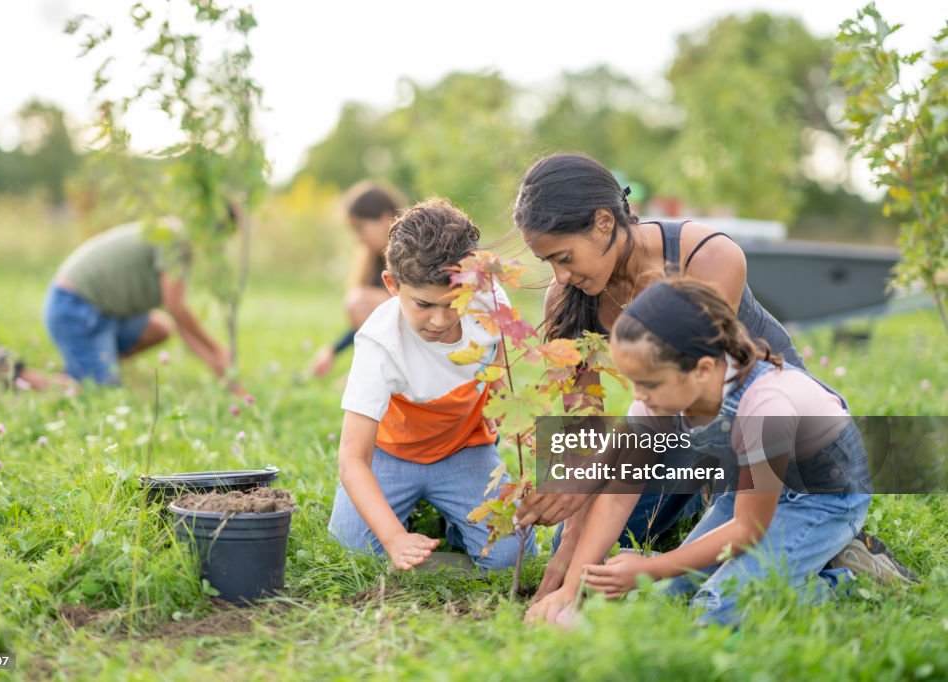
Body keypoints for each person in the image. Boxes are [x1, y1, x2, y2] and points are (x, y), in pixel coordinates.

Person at [511, 152, 914, 598]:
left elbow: (691, 400)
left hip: (758, 427)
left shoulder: (709, 257)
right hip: (673, 420)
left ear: (604, 222)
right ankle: (712, 515)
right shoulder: (568, 296)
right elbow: (584, 426)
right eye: (548, 262)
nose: (560, 276)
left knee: (680, 513)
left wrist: (593, 481)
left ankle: (813, 539)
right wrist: (569, 543)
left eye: (564, 257)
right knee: (595, 548)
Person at [524, 278, 901, 627]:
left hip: (820, 500)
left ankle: (848, 580)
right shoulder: (659, 399)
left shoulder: (765, 405)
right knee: (667, 598)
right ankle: (801, 561)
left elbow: (748, 529)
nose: (638, 397)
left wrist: (653, 567)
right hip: (750, 495)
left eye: (649, 384)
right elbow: (618, 497)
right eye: (634, 382)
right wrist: (569, 593)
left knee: (718, 608)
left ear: (703, 369)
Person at [328, 198, 536, 570]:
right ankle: (408, 521)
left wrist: (498, 400)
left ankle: (457, 523)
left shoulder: (489, 302)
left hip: (464, 450)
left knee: (510, 557)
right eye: (424, 304)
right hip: (391, 456)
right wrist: (394, 539)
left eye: (454, 302)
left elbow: (500, 361)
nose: (440, 320)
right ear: (392, 284)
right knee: (353, 554)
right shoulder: (378, 343)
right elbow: (352, 461)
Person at [0, 213, 241, 394]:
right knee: (97, 391)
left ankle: (93, 363)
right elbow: (177, 306)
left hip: (105, 313)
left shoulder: (178, 234)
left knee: (161, 327)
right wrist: (217, 350)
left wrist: (217, 364)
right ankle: (8, 372)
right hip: (75, 308)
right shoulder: (175, 240)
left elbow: (179, 323)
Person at [311, 182, 406, 377]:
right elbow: (368, 322)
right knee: (358, 301)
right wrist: (333, 350)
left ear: (386, 218)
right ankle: (370, 370)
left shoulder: (411, 255)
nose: (358, 238)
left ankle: (381, 372)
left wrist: (389, 301)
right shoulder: (375, 259)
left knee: (361, 300)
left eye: (360, 228)